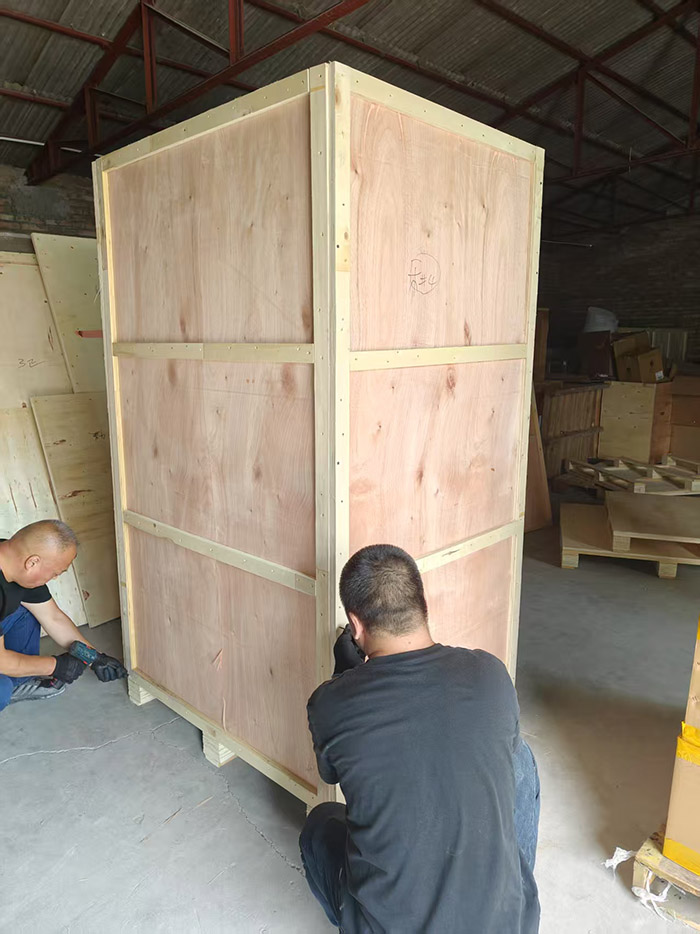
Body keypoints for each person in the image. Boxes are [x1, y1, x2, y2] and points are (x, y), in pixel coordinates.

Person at [300, 544, 540, 934]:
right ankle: (506, 884)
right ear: (422, 606)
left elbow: (332, 774)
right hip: (509, 925)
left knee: (320, 824)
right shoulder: (491, 673)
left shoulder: (329, 705)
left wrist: (344, 677)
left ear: (355, 626)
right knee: (520, 759)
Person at [0, 520, 126, 711]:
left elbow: (52, 617)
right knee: (2, 689)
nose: (55, 578)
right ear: (33, 562)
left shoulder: (11, 558)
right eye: (55, 573)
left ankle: (18, 680)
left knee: (26, 609)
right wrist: (56, 666)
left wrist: (95, 658)